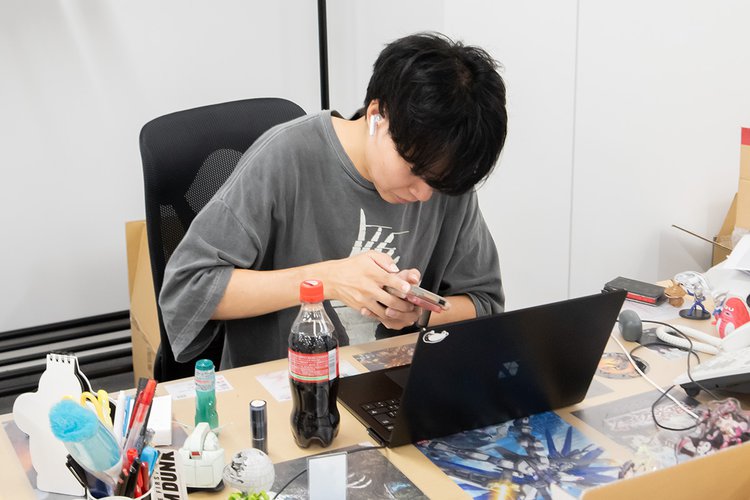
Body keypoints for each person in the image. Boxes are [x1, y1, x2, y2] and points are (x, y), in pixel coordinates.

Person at [159, 32, 508, 369]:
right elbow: (188, 289)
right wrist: (328, 280)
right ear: (377, 116)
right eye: (414, 169)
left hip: (391, 386)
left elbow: (484, 305)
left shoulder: (446, 180)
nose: (424, 194)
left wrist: (419, 312)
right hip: (286, 388)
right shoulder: (285, 157)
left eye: (439, 183)